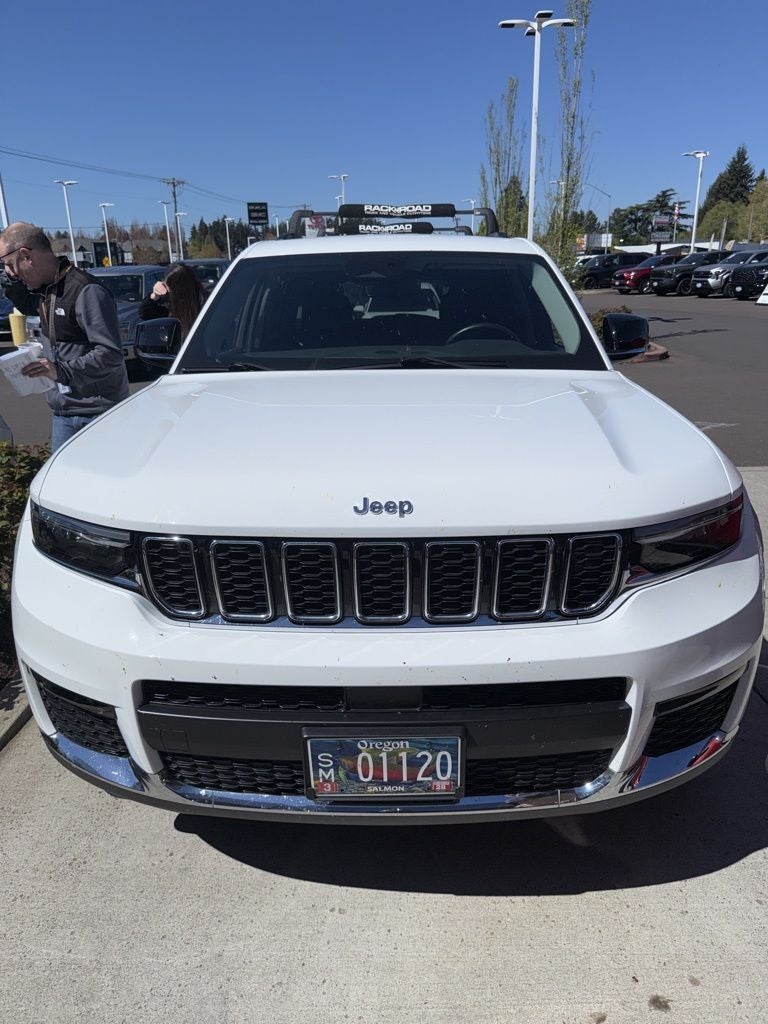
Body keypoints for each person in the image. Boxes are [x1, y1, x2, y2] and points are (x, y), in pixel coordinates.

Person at [0, 222, 129, 452]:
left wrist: (61, 371)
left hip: (97, 412)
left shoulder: (85, 290)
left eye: (10, 265)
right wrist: (11, 281)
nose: (10, 272)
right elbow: (27, 305)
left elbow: (110, 354)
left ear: (26, 255)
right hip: (63, 413)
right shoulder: (45, 290)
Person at [138, 263, 204, 340]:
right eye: (165, 285)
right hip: (176, 349)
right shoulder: (168, 301)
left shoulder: (205, 303)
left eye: (170, 287)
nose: (168, 290)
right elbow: (144, 313)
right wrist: (154, 296)